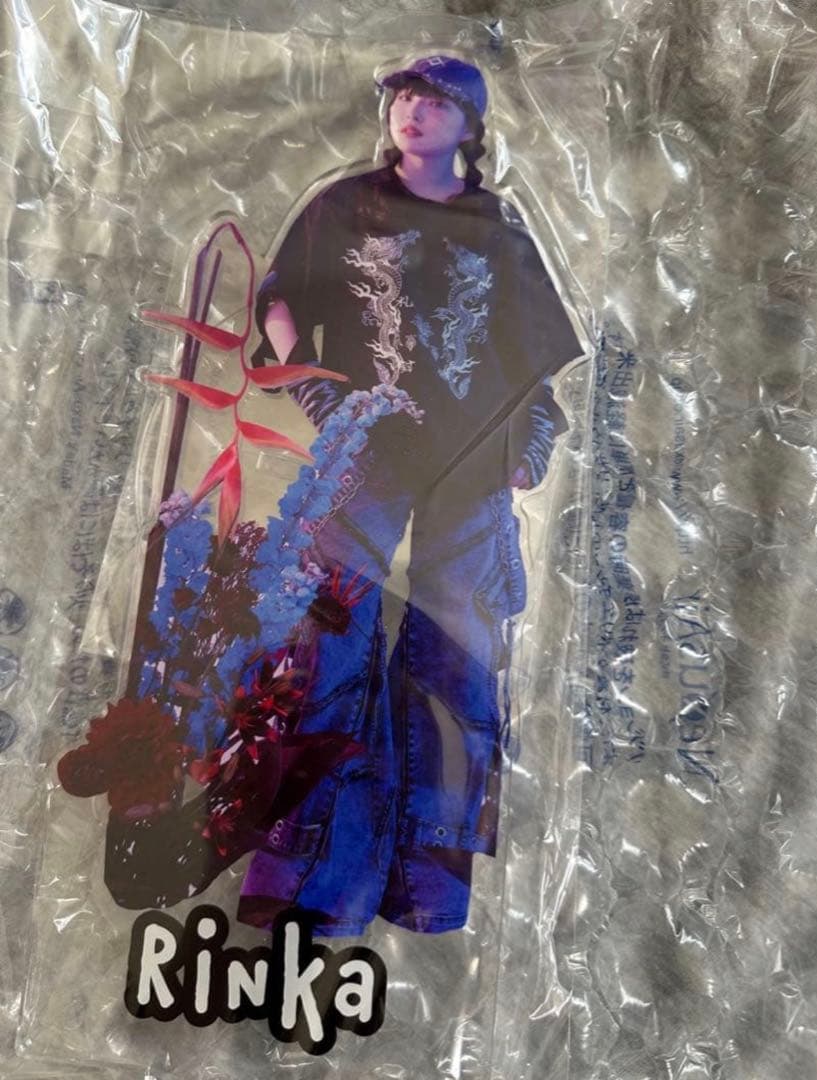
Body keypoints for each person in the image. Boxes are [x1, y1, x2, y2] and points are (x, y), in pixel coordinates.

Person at [240, 55, 583, 935]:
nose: (412, 112)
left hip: (472, 462)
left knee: (455, 658)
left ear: (470, 123)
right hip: (365, 452)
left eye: (434, 101)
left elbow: (538, 363)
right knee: (328, 641)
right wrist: (315, 391)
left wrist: (530, 446)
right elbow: (277, 298)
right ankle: (302, 859)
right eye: (403, 98)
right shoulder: (344, 204)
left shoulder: (499, 226)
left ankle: (431, 870)